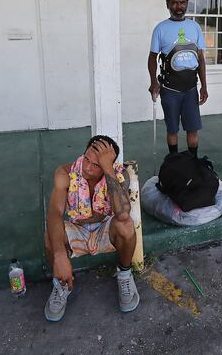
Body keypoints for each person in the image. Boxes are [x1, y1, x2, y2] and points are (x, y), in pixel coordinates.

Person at [43, 135, 140, 322]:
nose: (87, 167)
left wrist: (107, 169)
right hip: (77, 228)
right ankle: (62, 285)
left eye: (96, 165)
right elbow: (54, 213)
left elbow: (122, 214)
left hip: (105, 227)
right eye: (86, 159)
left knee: (126, 225)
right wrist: (59, 256)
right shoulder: (65, 173)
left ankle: (125, 275)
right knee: (50, 235)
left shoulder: (119, 174)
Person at [148, 0, 208, 156]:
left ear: (187, 3)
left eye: (182, 2)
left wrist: (204, 86)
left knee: (192, 129)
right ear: (167, 4)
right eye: (174, 3)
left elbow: (201, 59)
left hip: (190, 89)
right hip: (170, 89)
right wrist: (154, 82)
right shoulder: (160, 28)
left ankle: (193, 163)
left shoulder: (195, 27)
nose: (178, 6)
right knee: (172, 130)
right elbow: (152, 58)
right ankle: (174, 162)